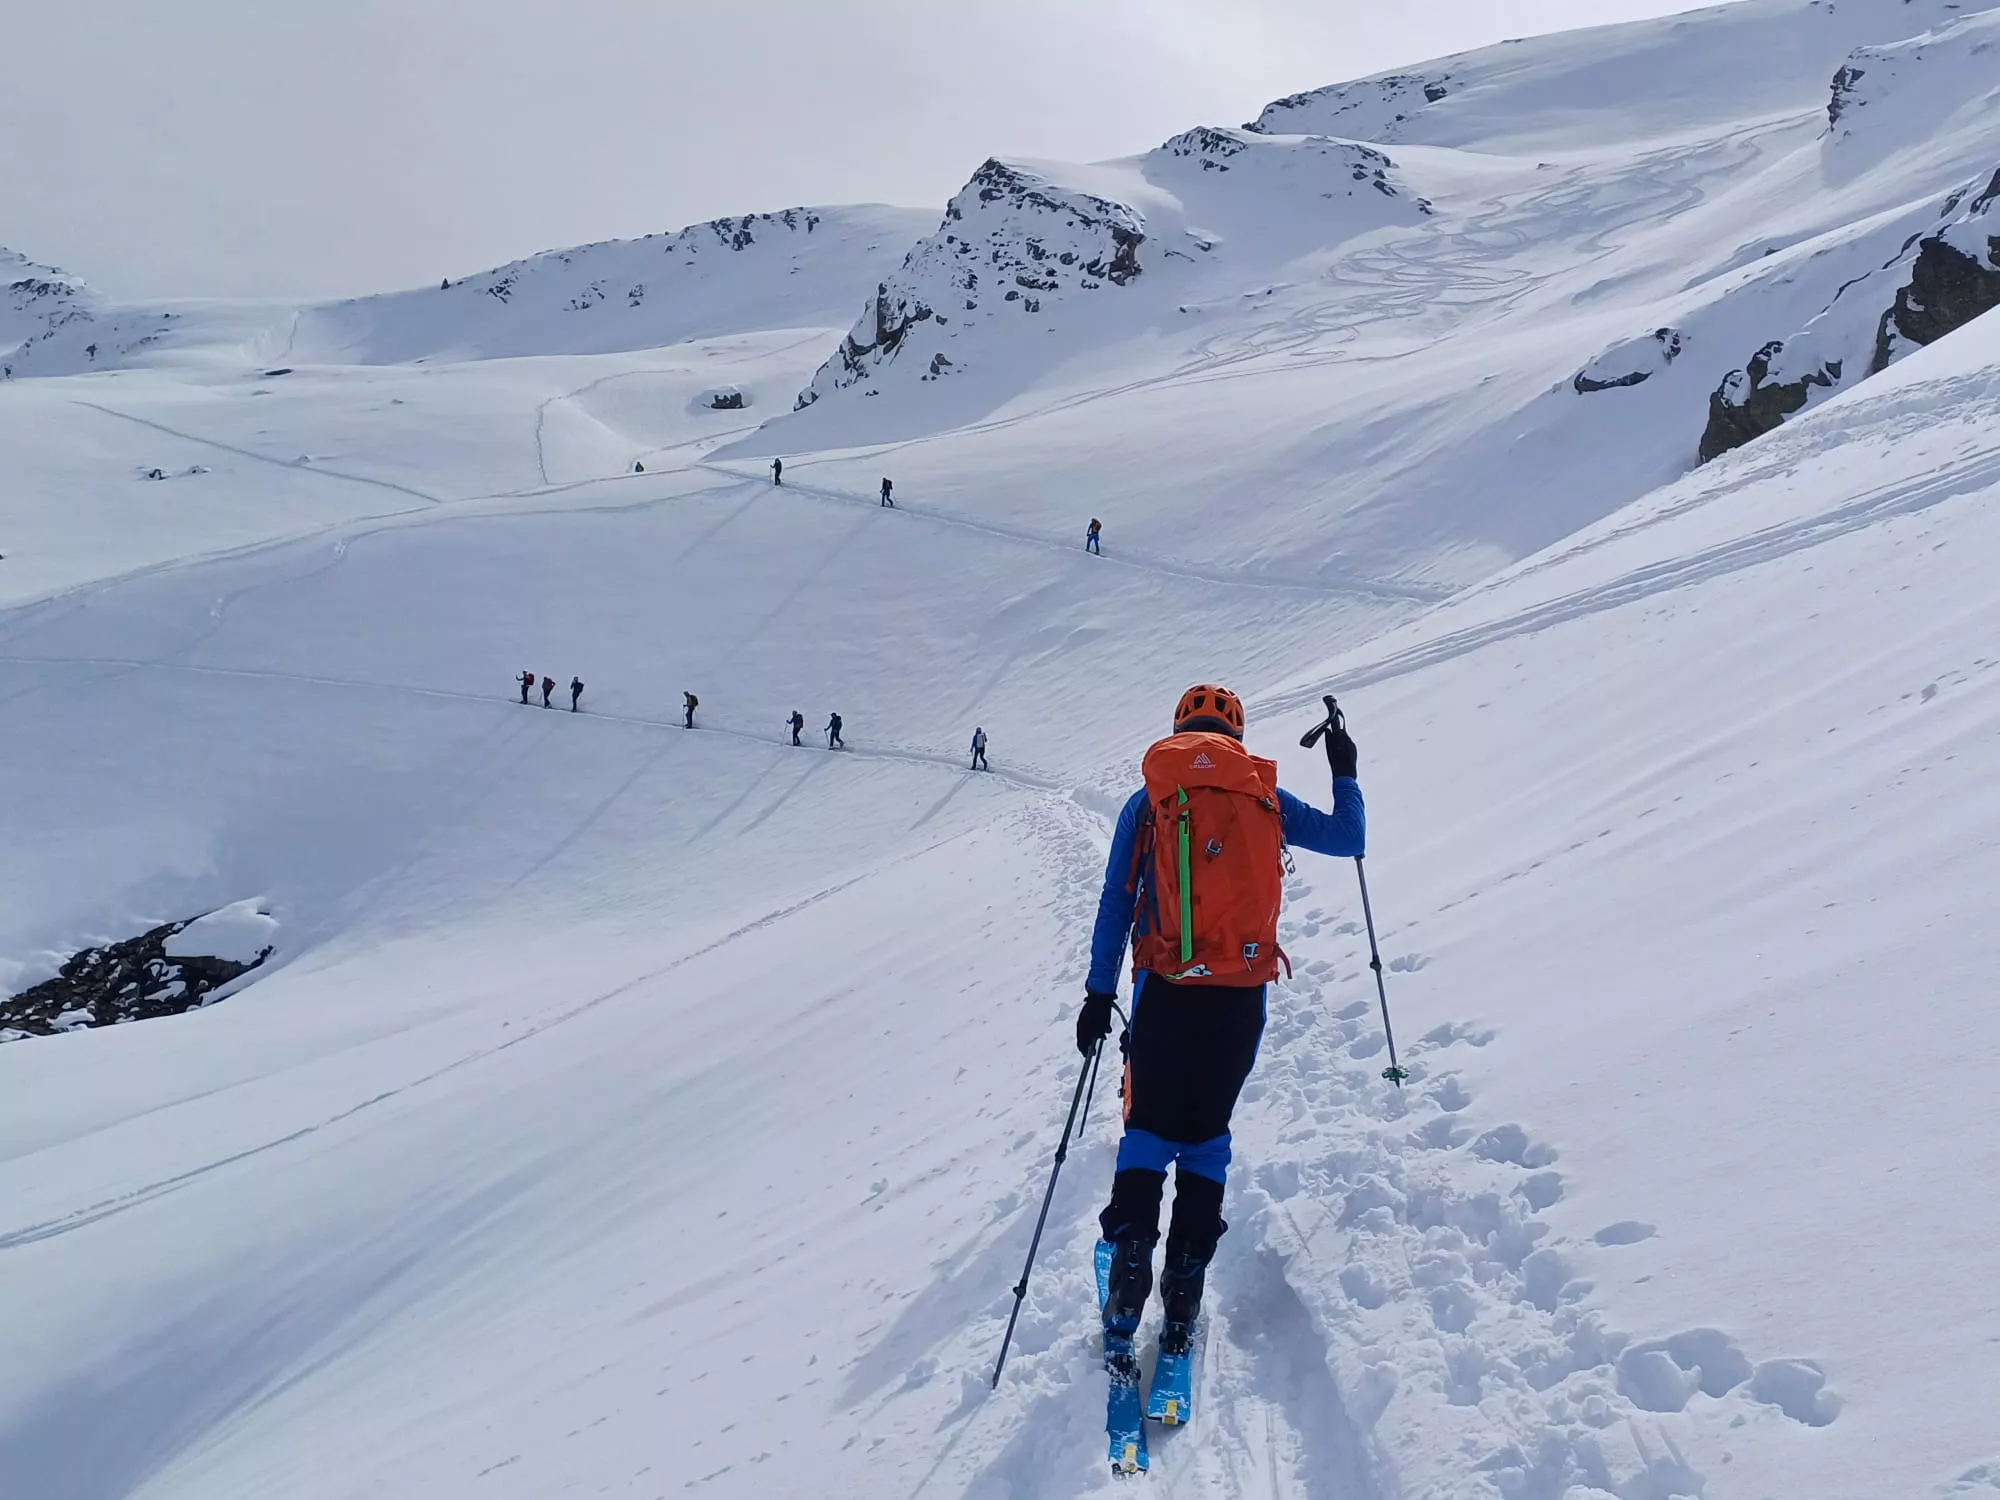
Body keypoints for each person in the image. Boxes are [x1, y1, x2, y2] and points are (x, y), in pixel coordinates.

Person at [1077, 684, 1364, 1376]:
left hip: (1164, 995)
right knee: (1207, 1140)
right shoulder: (1262, 796)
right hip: (1239, 1001)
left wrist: (1096, 993)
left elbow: (1117, 904)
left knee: (1148, 1129)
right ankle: (1183, 1298)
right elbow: (1350, 837)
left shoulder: (1149, 801)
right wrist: (1345, 767)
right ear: (1236, 735)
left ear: (1179, 730)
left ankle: (1127, 1287)